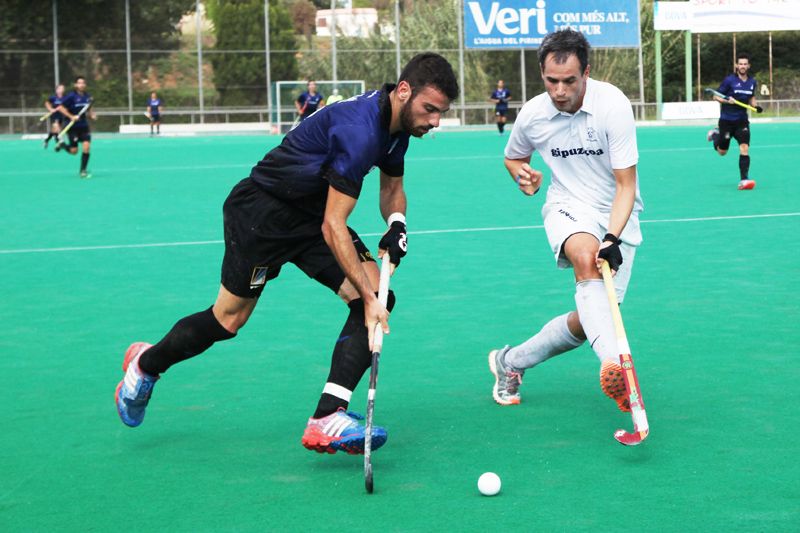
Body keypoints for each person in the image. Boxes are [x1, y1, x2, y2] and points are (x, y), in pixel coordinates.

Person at [115, 53, 458, 456]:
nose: (434, 121)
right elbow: (334, 225)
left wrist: (396, 223)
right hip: (263, 214)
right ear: (403, 91)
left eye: (441, 112)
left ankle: (327, 417)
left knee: (382, 294)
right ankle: (146, 364)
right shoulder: (360, 130)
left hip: (309, 215)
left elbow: (391, 186)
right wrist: (367, 298)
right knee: (228, 320)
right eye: (430, 109)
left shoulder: (398, 125)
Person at [488, 29, 644, 416]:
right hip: (567, 204)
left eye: (569, 81)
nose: (559, 90)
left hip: (616, 212)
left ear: (586, 72)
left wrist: (612, 236)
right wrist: (523, 175)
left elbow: (627, 185)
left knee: (589, 320)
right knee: (587, 258)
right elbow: (513, 157)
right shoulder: (534, 113)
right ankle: (616, 366)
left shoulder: (613, 105)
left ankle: (510, 362)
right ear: (542, 74)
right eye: (551, 80)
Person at [707, 53, 760, 190]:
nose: (742, 66)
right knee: (722, 152)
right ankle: (715, 135)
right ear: (737, 65)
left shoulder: (752, 82)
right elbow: (715, 96)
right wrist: (727, 101)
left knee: (744, 148)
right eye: (740, 64)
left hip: (742, 121)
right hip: (726, 121)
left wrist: (755, 106)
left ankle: (744, 179)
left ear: (748, 66)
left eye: (745, 64)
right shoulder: (729, 80)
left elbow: (752, 97)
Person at [55, 76, 95, 178]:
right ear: (75, 85)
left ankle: (83, 170)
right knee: (74, 151)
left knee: (86, 146)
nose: (81, 85)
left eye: (83, 83)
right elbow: (60, 108)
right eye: (79, 83)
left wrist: (92, 115)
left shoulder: (87, 96)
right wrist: (71, 116)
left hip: (83, 126)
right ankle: (63, 145)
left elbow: (89, 108)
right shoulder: (71, 96)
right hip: (72, 126)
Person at [43, 84, 66, 149]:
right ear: (57, 90)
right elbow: (46, 103)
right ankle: (60, 142)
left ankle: (46, 140)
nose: (62, 90)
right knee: (57, 128)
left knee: (54, 131)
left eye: (63, 88)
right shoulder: (53, 98)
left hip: (61, 116)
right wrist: (50, 109)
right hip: (54, 116)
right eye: (60, 88)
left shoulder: (65, 97)